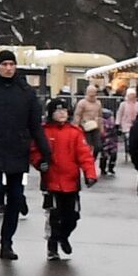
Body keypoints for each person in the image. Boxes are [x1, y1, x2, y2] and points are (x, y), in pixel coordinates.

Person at [0, 49, 51, 261]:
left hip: (17, 148)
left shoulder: (25, 92)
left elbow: (35, 125)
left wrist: (46, 151)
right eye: (4, 65)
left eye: (11, 65)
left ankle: (7, 242)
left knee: (15, 197)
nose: (8, 68)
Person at [34, 99, 98, 260]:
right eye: (58, 111)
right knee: (54, 216)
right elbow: (35, 151)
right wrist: (39, 162)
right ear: (51, 113)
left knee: (72, 217)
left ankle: (64, 236)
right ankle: (52, 246)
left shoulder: (74, 132)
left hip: (71, 182)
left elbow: (84, 155)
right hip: (51, 181)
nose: (62, 113)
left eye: (64, 110)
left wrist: (90, 174)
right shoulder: (44, 132)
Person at [72, 84, 104, 167]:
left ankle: (92, 160)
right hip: (85, 127)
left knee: (98, 146)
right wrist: (76, 125)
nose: (92, 94)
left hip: (95, 126)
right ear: (87, 92)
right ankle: (87, 163)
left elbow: (100, 116)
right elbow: (77, 115)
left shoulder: (98, 103)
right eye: (90, 92)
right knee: (87, 147)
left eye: (94, 92)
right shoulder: (82, 102)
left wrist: (101, 128)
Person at [99, 108, 119, 176]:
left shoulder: (111, 121)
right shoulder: (100, 121)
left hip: (111, 140)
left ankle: (109, 168)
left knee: (112, 155)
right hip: (105, 140)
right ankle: (104, 168)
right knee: (105, 155)